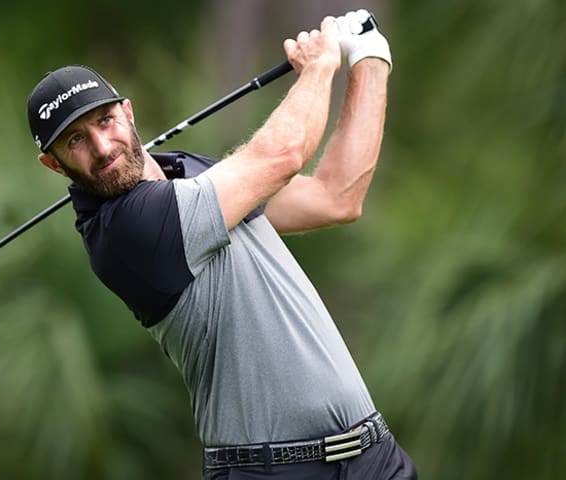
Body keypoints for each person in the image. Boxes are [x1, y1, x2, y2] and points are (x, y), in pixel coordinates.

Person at [26, 9, 416, 480]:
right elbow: (283, 154)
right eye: (76, 140)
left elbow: (336, 196)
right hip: (272, 472)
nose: (103, 147)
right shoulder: (127, 229)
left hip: (375, 456)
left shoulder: (193, 174)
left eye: (105, 121)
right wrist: (320, 66)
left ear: (127, 113)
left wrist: (370, 58)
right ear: (54, 164)